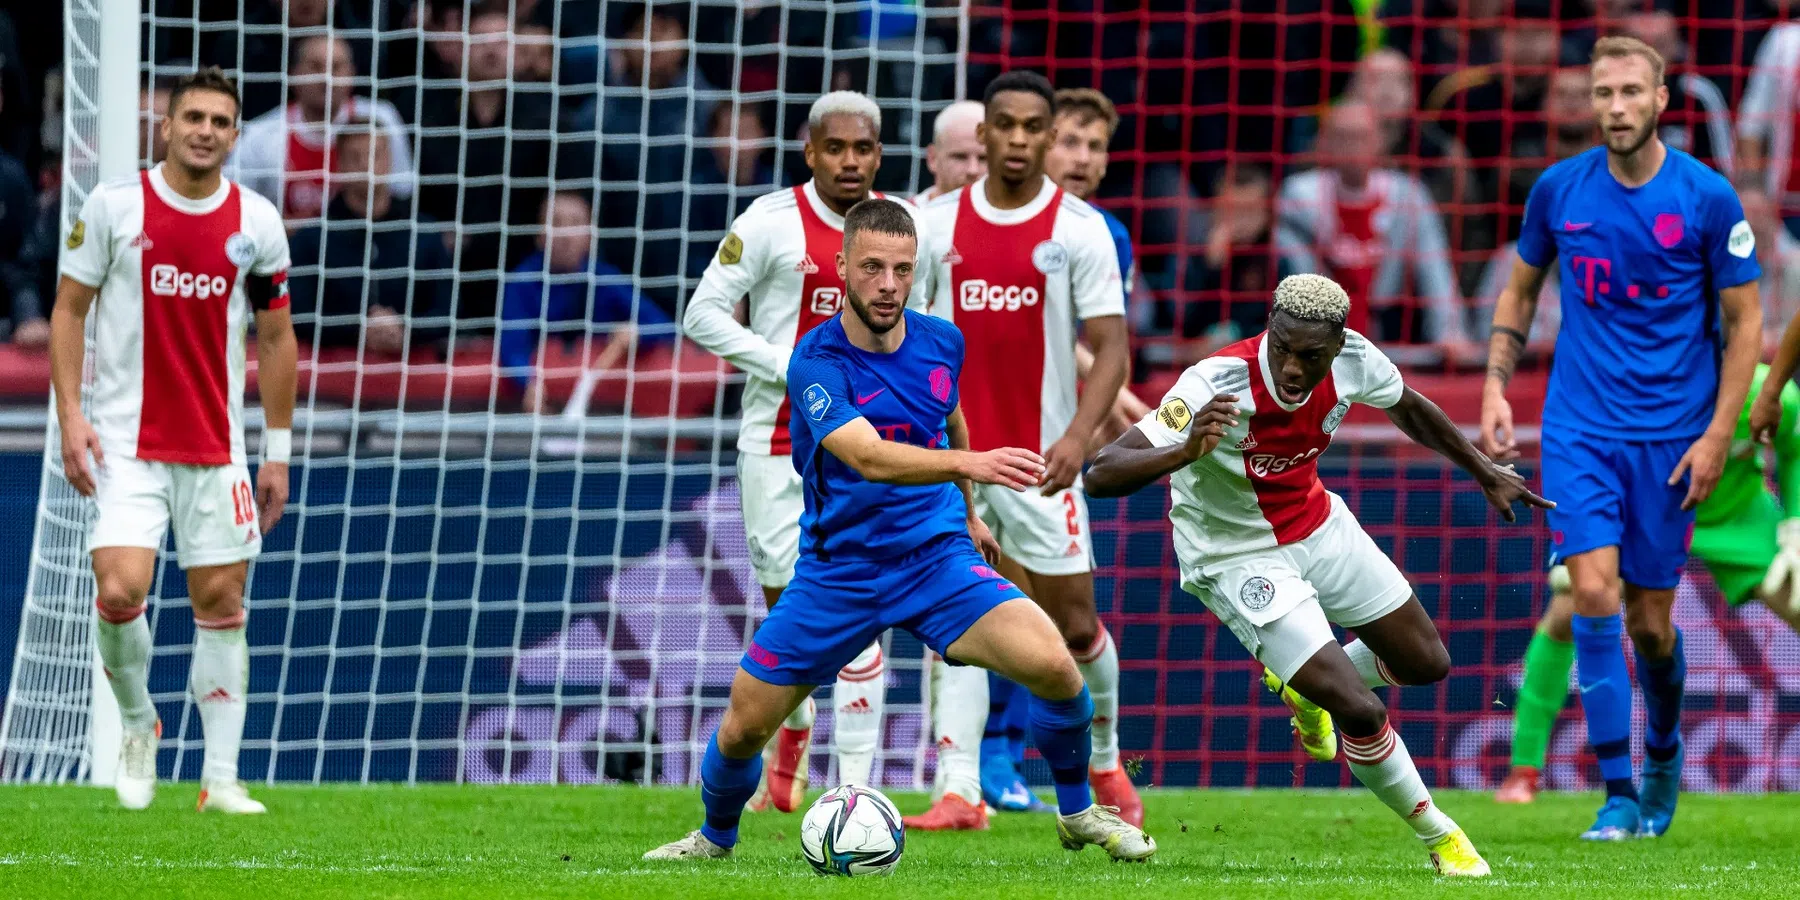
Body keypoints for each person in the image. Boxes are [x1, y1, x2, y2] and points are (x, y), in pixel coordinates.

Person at [643, 198, 1154, 863]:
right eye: (872, 268)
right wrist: (969, 465)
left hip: (935, 559)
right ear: (842, 267)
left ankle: (1078, 813)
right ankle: (713, 839)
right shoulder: (814, 360)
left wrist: (967, 510)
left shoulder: (943, 340)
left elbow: (952, 413)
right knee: (742, 727)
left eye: (902, 270)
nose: (887, 285)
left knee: (1058, 668)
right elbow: (868, 455)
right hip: (840, 572)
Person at [1086, 273, 1547, 876]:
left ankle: (1306, 684)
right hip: (1235, 555)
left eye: (1311, 356)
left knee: (1425, 664)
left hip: (1318, 525)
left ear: (1337, 346)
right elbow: (1101, 471)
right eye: (1282, 348)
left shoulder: (1356, 358)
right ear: (1268, 331)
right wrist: (1183, 451)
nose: (1294, 368)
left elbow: (1409, 407)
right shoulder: (1214, 381)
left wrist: (1482, 468)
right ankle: (1444, 839)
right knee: (1361, 710)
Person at [1481, 36, 1763, 840]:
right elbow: (1522, 287)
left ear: (1662, 99)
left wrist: (1716, 437)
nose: (1615, 107)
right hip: (1580, 428)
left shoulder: (1707, 198)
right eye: (1603, 93)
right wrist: (1498, 385)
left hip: (1674, 437)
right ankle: (1617, 794)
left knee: (1651, 623)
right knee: (1590, 592)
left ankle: (1664, 750)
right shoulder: (1558, 191)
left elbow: (1746, 324)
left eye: (1630, 92)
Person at [50, 67, 297, 814]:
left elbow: (279, 339)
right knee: (121, 588)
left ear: (233, 134)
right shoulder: (115, 206)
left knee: (222, 601)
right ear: (165, 125)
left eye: (221, 121)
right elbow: (67, 311)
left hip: (217, 448)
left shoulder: (256, 222)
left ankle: (219, 780)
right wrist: (70, 416)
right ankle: (137, 725)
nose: (205, 131)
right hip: (126, 443)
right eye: (193, 116)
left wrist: (277, 450)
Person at [681, 92, 919, 812]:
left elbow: (923, 329)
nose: (851, 160)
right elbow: (701, 314)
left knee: (858, 614)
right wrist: (787, 365)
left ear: (879, 154)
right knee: (792, 614)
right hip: (776, 443)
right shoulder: (768, 222)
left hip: (864, 448)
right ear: (809, 151)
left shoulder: (902, 229)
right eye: (836, 147)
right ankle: (797, 727)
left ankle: (855, 797)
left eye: (864, 148)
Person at [914, 70, 1138, 830]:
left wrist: (1077, 438)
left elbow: (1110, 349)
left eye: (1029, 128)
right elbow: (907, 339)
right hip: (955, 465)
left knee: (1074, 629)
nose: (1015, 140)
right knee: (964, 625)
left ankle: (1104, 756)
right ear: (984, 136)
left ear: (1047, 135)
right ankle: (959, 787)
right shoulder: (936, 227)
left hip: (1044, 466)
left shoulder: (1079, 230)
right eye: (1002, 126)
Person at [1500, 362, 1800, 803]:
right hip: (1645, 512)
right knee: (1570, 609)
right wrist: (1587, 536)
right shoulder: (1644, 390)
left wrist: (1794, 523)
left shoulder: (1771, 394)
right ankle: (1523, 770)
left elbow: (1793, 447)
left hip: (1736, 515)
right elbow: (1599, 457)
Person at [1277, 102, 1475, 362]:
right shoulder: (1298, 196)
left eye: (1361, 137)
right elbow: (1293, 273)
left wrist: (1450, 333)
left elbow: (1435, 267)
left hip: (1390, 338)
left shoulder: (1408, 195)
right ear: (1325, 142)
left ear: (1379, 141)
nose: (1352, 146)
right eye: (1343, 136)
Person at [286, 122, 451, 354]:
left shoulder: (425, 233)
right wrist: (358, 330)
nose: (366, 165)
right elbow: (297, 314)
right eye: (355, 157)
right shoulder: (310, 240)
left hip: (417, 378)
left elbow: (448, 309)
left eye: (376, 155)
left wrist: (405, 330)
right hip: (332, 381)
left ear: (390, 160)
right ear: (340, 165)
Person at [501, 191, 670, 414]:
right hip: (542, 398)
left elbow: (664, 325)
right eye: (556, 223)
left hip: (603, 400)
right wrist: (527, 381)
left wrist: (638, 332)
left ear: (590, 236)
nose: (566, 235)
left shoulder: (604, 278)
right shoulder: (521, 282)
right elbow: (512, 345)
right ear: (539, 235)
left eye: (575, 223)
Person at [227, 33, 414, 222]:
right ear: (294, 74)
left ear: (352, 73)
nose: (327, 79)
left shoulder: (382, 118)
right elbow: (231, 205)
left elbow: (403, 193)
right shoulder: (262, 135)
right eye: (315, 67)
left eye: (336, 67)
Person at [916, 99, 986, 204]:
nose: (973, 170)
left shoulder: (1016, 217)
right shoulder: (907, 217)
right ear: (933, 158)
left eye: (984, 158)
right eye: (960, 157)